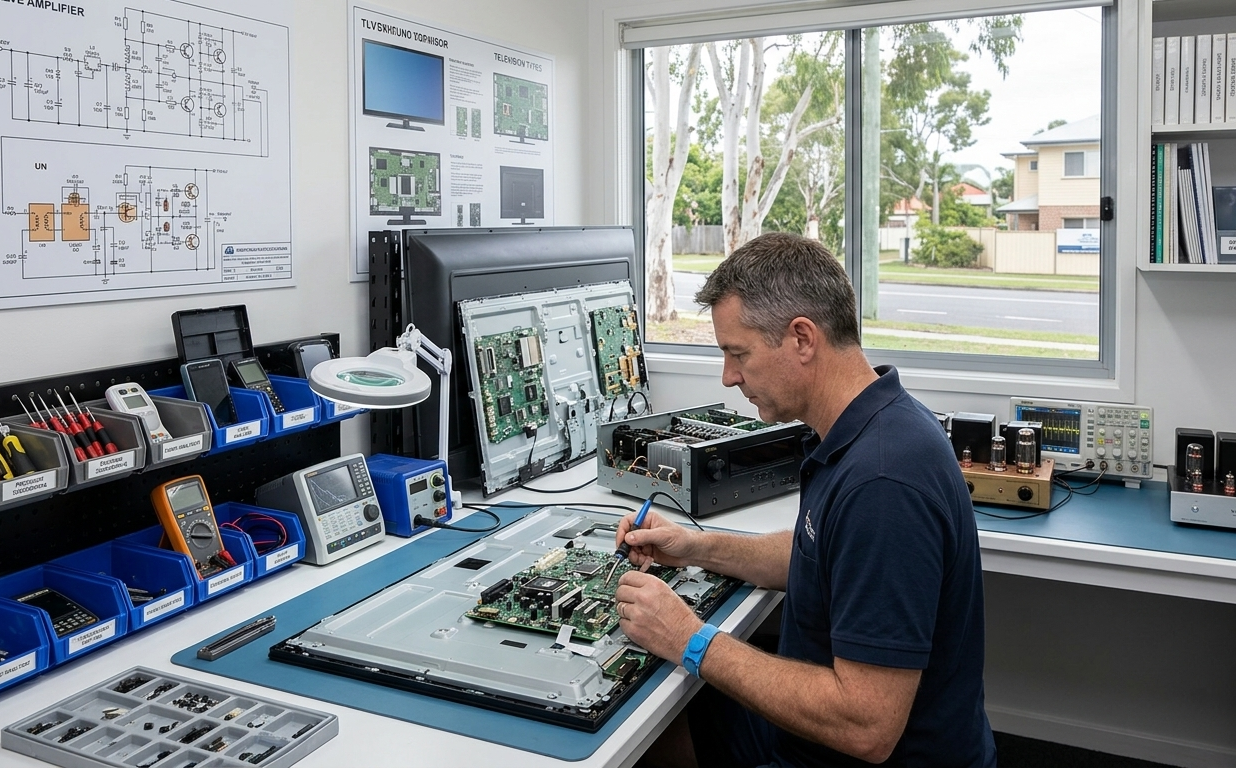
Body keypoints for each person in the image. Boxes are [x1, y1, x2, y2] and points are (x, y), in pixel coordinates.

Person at [612, 232, 995, 767]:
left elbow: (867, 726)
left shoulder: (883, 483)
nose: (729, 377)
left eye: (738, 353)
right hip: (818, 740)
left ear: (802, 339)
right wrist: (693, 547)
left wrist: (688, 638)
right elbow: (813, 557)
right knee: (664, 714)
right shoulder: (865, 428)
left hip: (857, 751)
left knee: (650, 711)